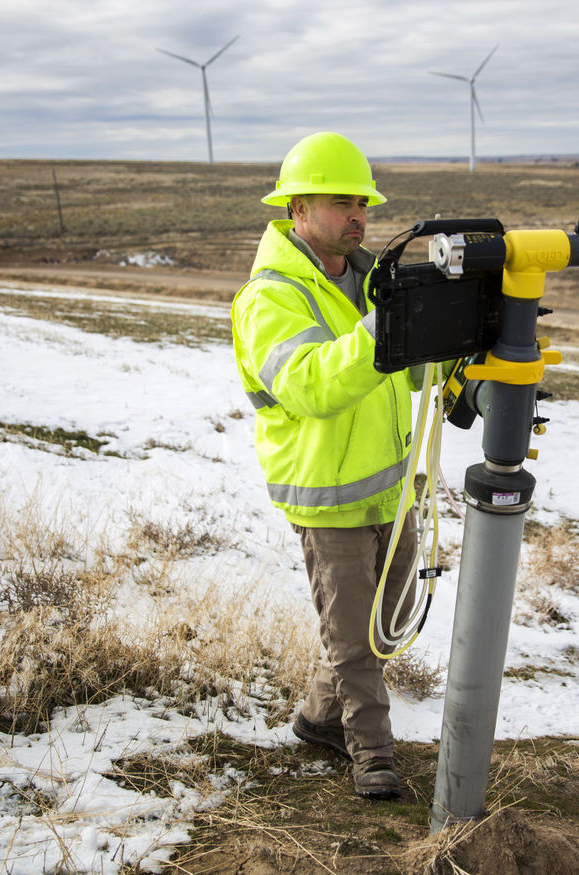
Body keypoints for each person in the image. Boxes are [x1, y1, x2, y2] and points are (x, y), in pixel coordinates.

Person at [230, 131, 419, 800]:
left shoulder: (373, 279)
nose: (358, 216)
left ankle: (318, 718)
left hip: (392, 488)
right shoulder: (269, 299)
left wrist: (448, 340)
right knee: (356, 642)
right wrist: (387, 328)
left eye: (362, 203)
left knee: (386, 623)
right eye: (342, 203)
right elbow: (311, 383)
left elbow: (408, 375)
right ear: (297, 209)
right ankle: (370, 753)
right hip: (327, 495)